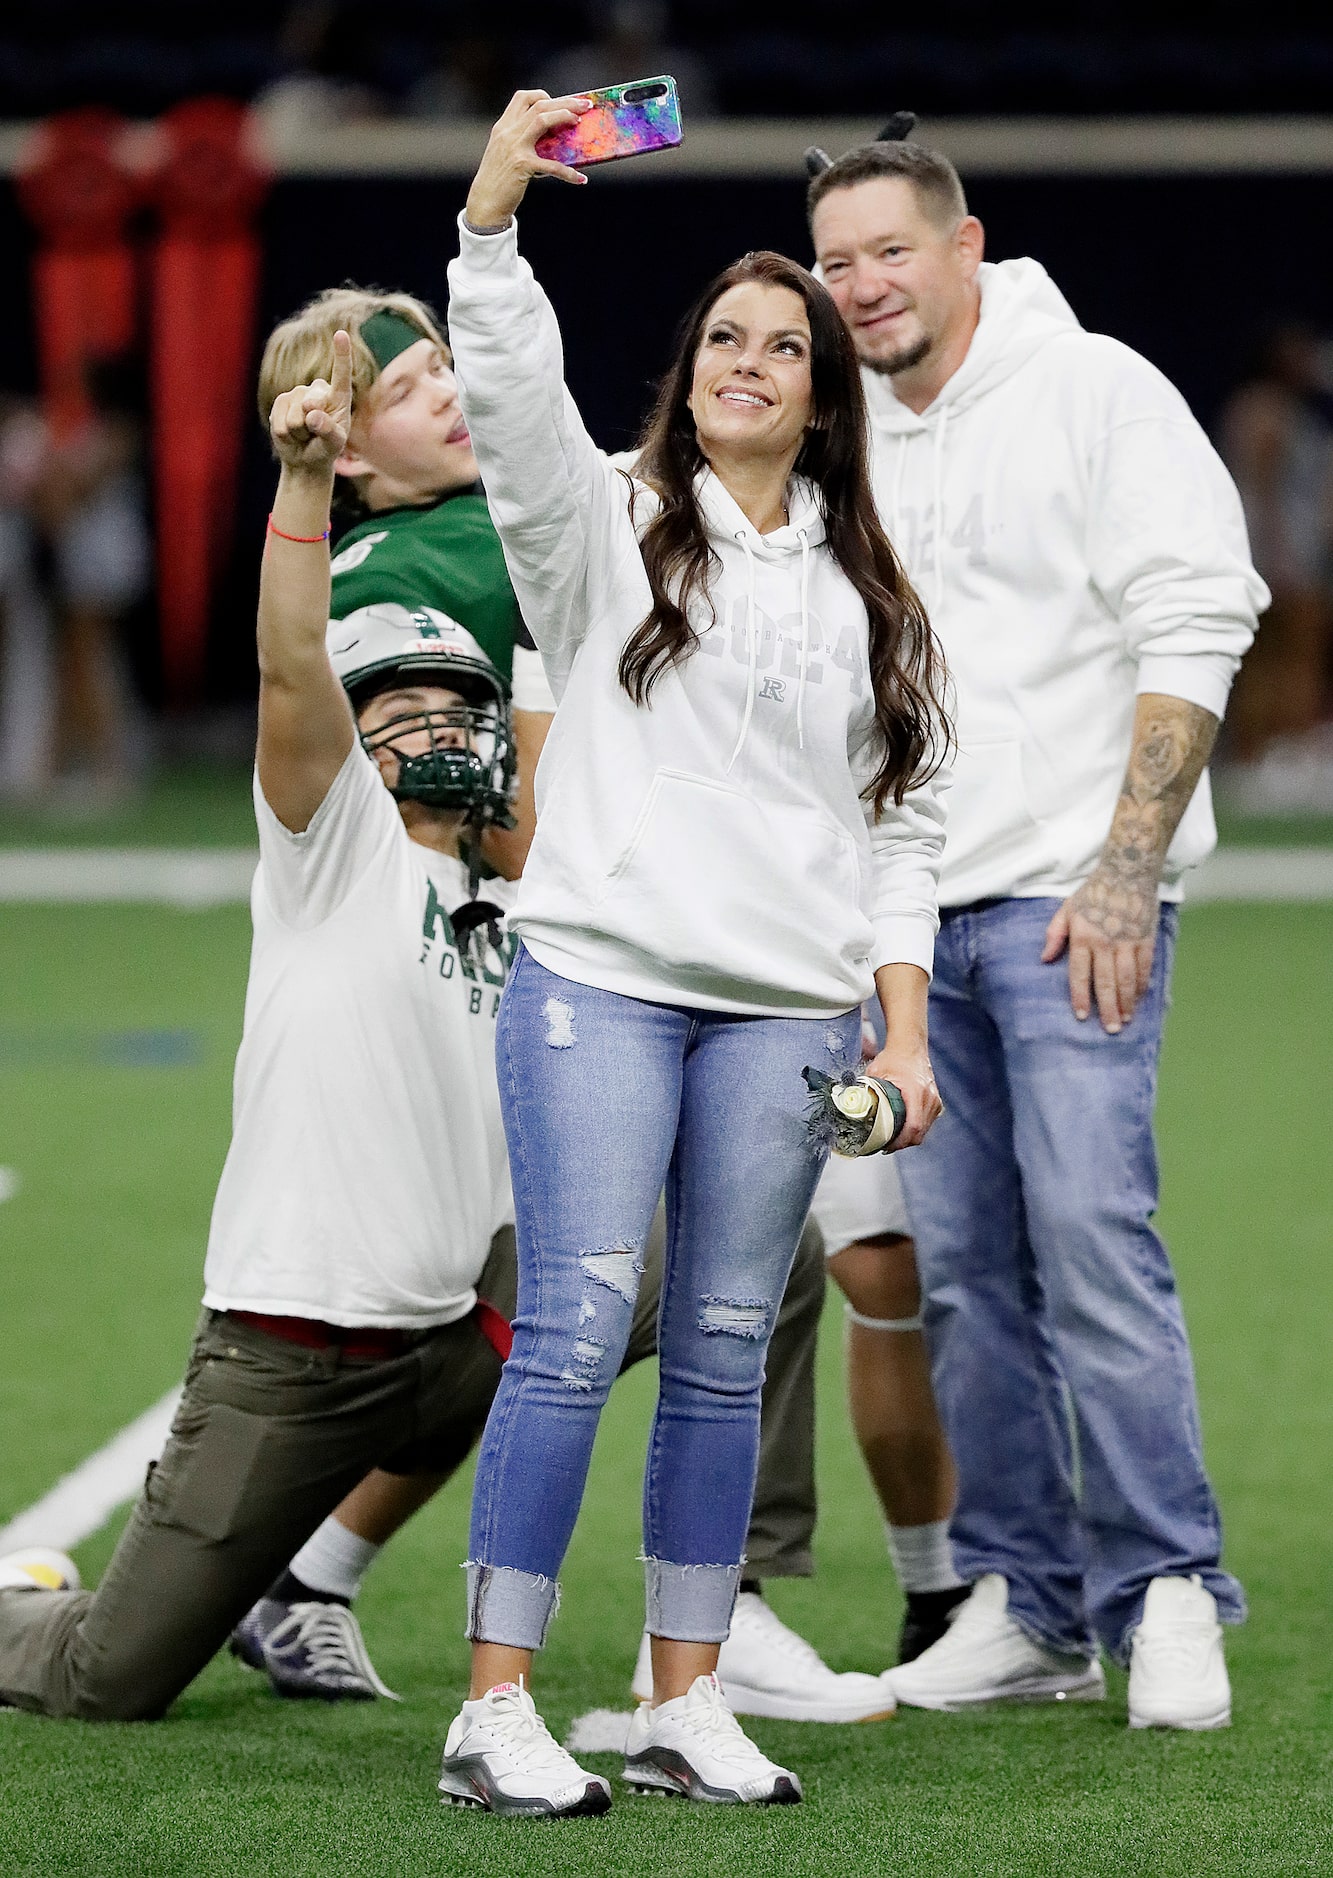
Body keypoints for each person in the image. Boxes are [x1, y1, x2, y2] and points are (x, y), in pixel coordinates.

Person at [237, 283, 893, 1727]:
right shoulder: (389, 573)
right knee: (544, 1311)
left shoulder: (599, 501)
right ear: (339, 442)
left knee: (709, 1285)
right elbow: (457, 793)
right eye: (411, 390)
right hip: (510, 981)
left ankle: (682, 1620)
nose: (452, 398)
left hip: (621, 957)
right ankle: (367, 1597)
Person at [434, 90, 949, 1817]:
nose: (748, 358)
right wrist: (493, 223)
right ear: (693, 368)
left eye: (781, 343)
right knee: (579, 1328)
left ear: (823, 390)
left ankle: (683, 1698)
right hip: (600, 976)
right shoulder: (604, 525)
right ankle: (494, 1702)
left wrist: (903, 1029)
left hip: (787, 1015)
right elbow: (506, 397)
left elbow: (902, 826)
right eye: (723, 335)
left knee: (726, 1346)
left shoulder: (872, 587)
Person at [808, 130, 1267, 1729]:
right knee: (960, 1276)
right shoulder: (840, 419)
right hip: (905, 934)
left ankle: (1166, 1589)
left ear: (962, 245)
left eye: (885, 251)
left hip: (1076, 908)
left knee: (1088, 1244)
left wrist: (1126, 867)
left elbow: (1202, 609)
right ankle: (1032, 1603)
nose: (860, 285)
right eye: (835, 262)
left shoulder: (1097, 392)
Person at [0, 335, 523, 1722]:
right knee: (109, 1677)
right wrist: (301, 483)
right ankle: (21, 1607)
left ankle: (334, 1579)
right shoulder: (331, 840)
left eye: (452, 699)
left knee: (713, 1249)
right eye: (396, 702)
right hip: (298, 1359)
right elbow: (297, 671)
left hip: (456, 1334)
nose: (430, 720)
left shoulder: (525, 869)